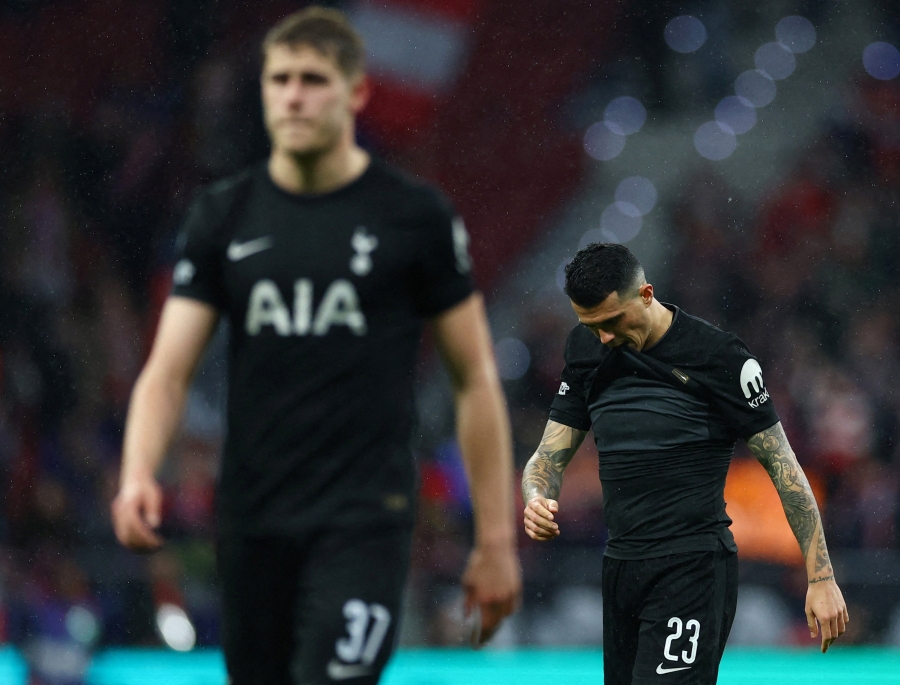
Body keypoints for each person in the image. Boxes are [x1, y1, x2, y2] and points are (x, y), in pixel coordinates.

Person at [111, 6, 521, 684]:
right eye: (282, 82)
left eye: (313, 80)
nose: (295, 98)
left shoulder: (415, 219)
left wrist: (497, 538)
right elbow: (167, 370)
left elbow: (475, 375)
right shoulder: (220, 219)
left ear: (354, 95)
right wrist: (136, 471)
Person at [522, 243, 847, 684]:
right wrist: (537, 495)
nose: (604, 338)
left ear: (646, 294)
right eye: (591, 325)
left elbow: (785, 468)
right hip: (621, 567)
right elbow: (547, 456)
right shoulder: (586, 349)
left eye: (612, 322)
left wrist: (821, 576)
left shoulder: (720, 357)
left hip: (692, 569)